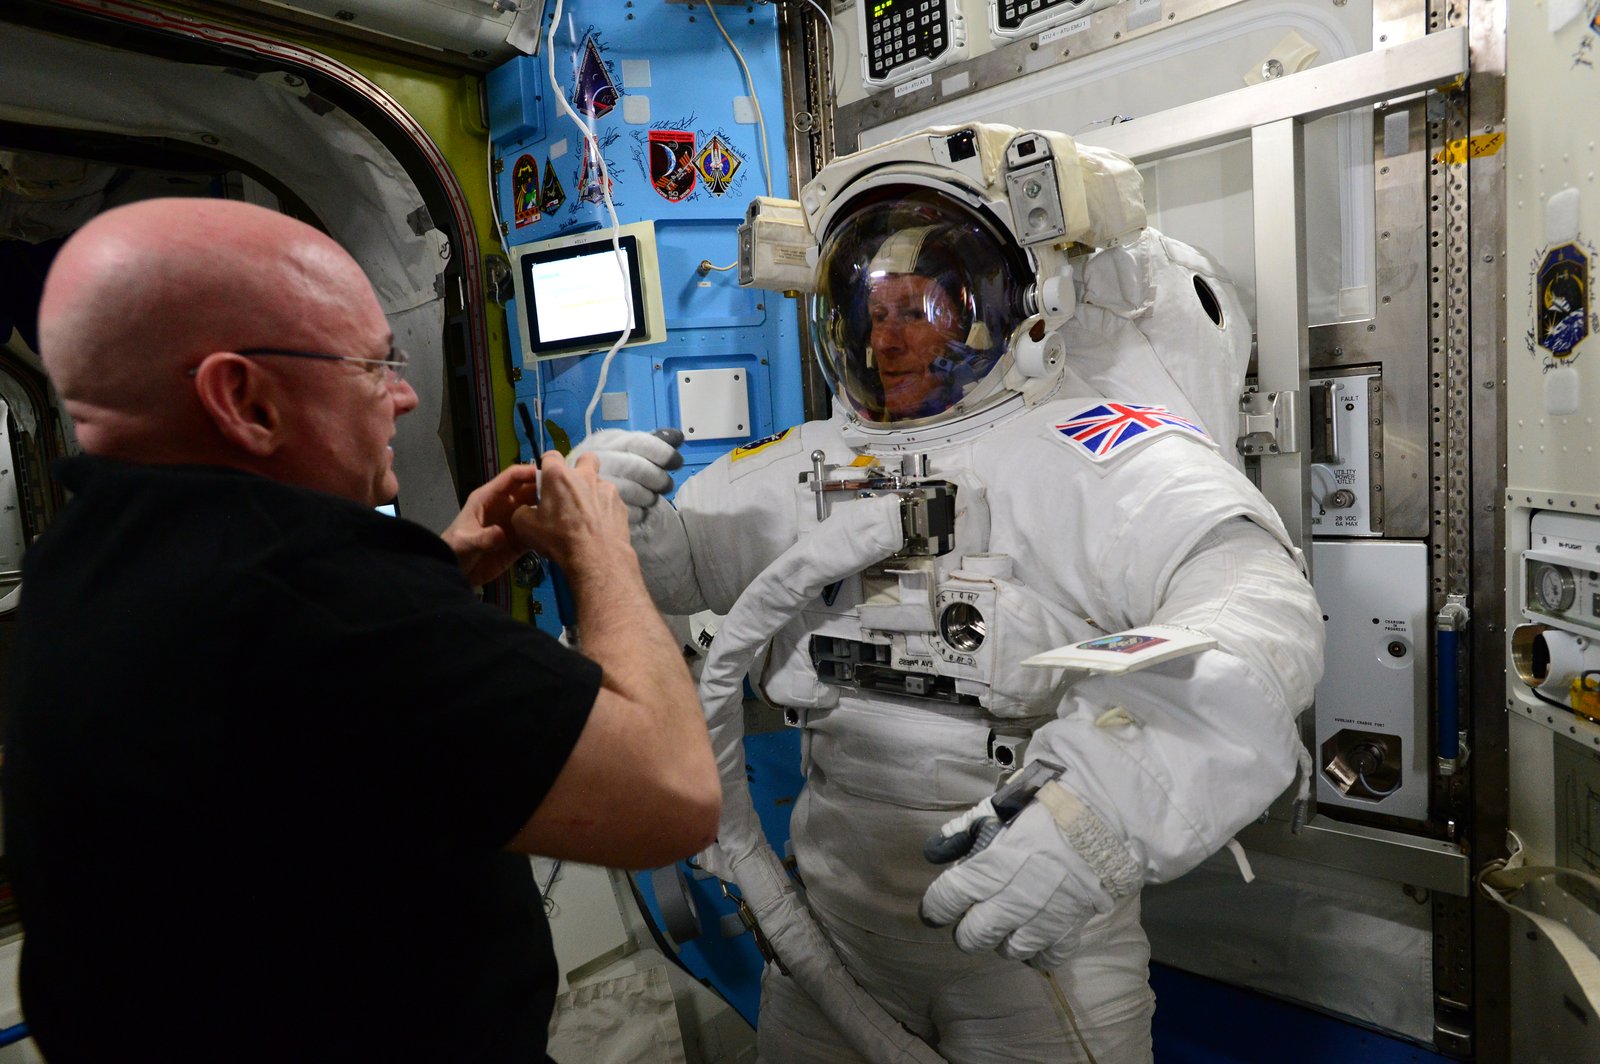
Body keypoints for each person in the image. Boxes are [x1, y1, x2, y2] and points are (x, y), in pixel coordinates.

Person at [582, 129, 1324, 1063]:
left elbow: (1259, 608)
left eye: (919, 308)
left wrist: (1108, 810)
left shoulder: (1092, 451)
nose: (885, 336)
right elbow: (689, 567)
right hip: (832, 943)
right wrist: (626, 530)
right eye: (866, 309)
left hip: (1031, 957)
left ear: (1005, 310)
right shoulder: (810, 462)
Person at [1, 198, 720, 1063]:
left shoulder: (82, 560)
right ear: (242, 398)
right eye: (372, 366)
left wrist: (436, 569)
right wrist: (600, 549)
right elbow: (674, 797)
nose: (407, 396)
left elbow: (293, 708)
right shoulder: (323, 602)